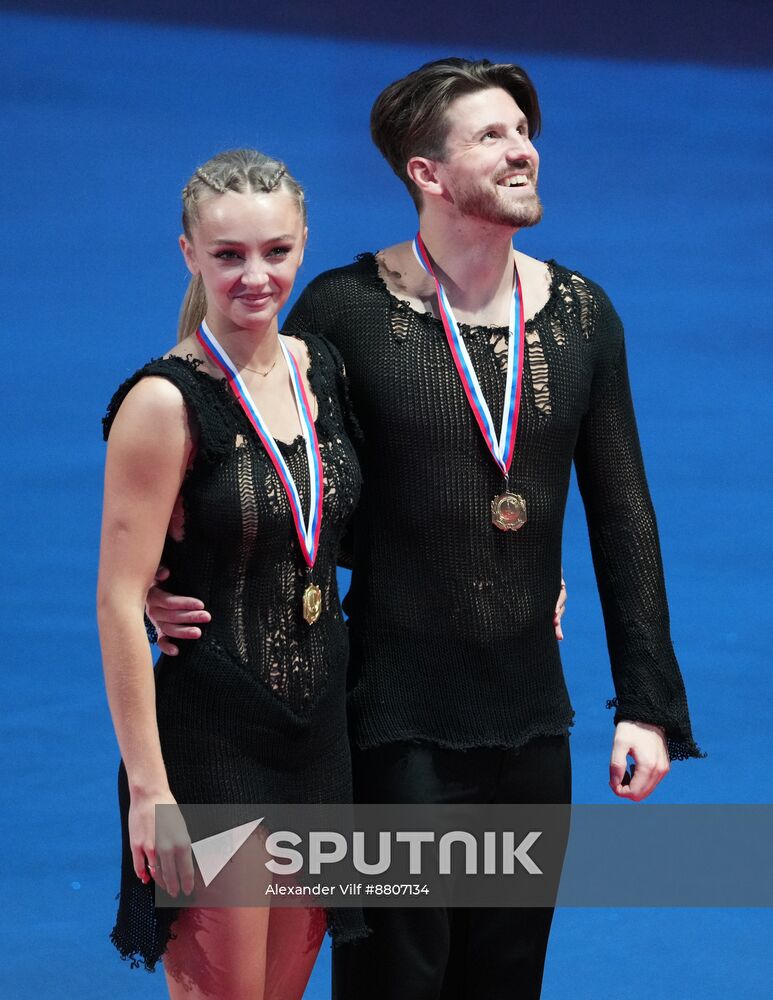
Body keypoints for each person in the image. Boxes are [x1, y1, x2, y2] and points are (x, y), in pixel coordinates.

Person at [148, 59, 702, 999]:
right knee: (398, 979)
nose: (522, 146)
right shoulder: (346, 311)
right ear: (427, 174)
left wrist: (646, 703)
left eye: (522, 129)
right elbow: (282, 473)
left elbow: (623, 513)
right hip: (393, 721)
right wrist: (178, 574)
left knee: (506, 977)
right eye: (491, 135)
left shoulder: (579, 317)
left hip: (533, 720)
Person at [97, 148, 365, 998]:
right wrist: (150, 792)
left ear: (303, 243)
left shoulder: (320, 366)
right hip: (210, 745)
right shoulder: (164, 402)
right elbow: (113, 596)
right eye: (228, 255)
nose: (256, 275)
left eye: (277, 252)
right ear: (188, 253)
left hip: (319, 741)